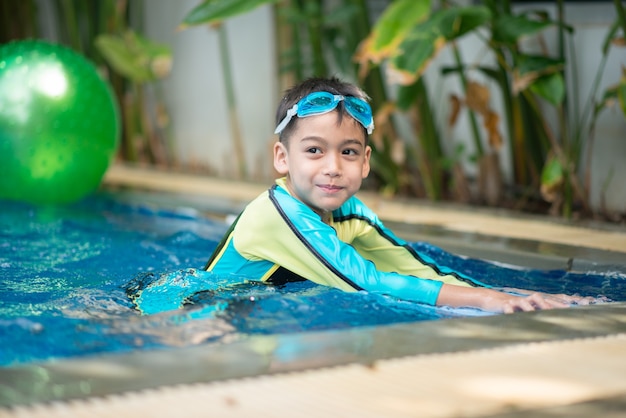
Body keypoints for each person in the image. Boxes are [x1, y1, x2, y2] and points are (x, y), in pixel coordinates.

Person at [204, 76, 596, 314]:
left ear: (366, 161)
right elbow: (366, 282)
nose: (333, 167)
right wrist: (484, 303)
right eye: (314, 150)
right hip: (195, 316)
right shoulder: (277, 213)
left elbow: (415, 267)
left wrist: (513, 294)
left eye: (348, 152)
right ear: (281, 158)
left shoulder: (349, 213)